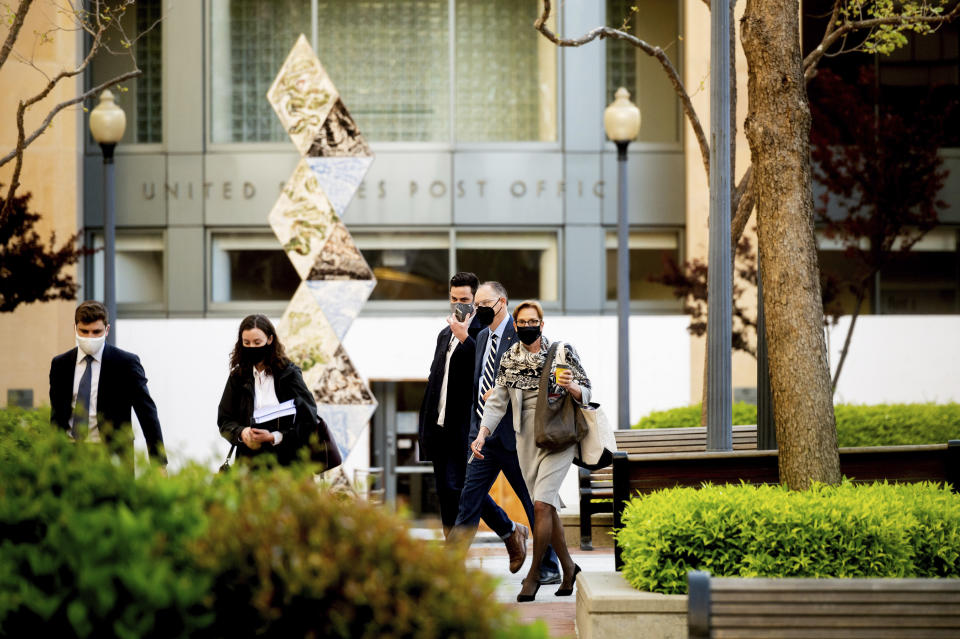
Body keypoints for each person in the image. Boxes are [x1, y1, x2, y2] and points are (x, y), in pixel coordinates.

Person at [471, 300, 590, 601]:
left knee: (539, 506)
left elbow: (587, 391)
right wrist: (483, 434)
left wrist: (573, 387)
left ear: (542, 323)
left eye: (532, 321)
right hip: (526, 441)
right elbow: (497, 400)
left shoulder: (563, 352)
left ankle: (533, 575)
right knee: (546, 505)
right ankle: (568, 567)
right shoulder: (510, 358)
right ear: (516, 325)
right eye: (521, 322)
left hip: (558, 438)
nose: (527, 327)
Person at [451, 282, 561, 585]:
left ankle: (549, 565)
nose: (478, 310)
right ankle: (449, 565)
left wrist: (506, 390)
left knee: (532, 502)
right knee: (468, 501)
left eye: (484, 303)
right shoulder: (482, 336)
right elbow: (477, 383)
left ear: (502, 302)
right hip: (484, 437)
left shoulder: (524, 332)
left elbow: (542, 376)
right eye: (476, 305)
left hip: (517, 438)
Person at [417, 273, 527, 572]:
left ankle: (502, 535)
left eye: (465, 300)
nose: (459, 306)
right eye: (454, 300)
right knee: (447, 493)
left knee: (464, 492)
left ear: (476, 302)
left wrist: (464, 335)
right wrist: (425, 428)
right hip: (439, 428)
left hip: (468, 428)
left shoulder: (481, 331)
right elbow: (435, 381)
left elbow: (478, 376)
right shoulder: (444, 333)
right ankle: (508, 532)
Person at [49, 300, 166, 465]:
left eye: (96, 332)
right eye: (84, 331)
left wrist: (158, 462)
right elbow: (56, 416)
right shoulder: (60, 364)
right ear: (75, 328)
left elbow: (147, 413)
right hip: (69, 453)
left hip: (112, 455)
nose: (90, 337)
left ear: (107, 330)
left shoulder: (126, 363)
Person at [217, 314, 319, 466]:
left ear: (270, 340)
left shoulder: (289, 374)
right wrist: (242, 433)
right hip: (249, 465)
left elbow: (309, 420)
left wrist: (274, 437)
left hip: (287, 465)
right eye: (247, 342)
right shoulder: (238, 377)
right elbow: (225, 420)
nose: (252, 347)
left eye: (257, 342)